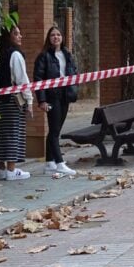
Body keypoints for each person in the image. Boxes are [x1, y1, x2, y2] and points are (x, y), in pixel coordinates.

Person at [34, 26, 78, 176]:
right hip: (52, 96)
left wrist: (73, 89)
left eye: (58, 35)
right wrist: (42, 101)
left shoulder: (67, 54)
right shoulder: (44, 56)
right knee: (54, 131)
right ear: (49, 38)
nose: (56, 37)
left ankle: (49, 162)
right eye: (53, 35)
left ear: (62, 38)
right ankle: (60, 163)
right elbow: (38, 79)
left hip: (65, 95)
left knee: (56, 129)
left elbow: (74, 73)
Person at [0, 25, 33, 181]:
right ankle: (11, 170)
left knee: (2, 133)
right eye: (16, 33)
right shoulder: (16, 55)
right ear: (8, 37)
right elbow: (22, 79)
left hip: (1, 100)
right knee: (14, 133)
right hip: (13, 100)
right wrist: (29, 100)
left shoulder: (0, 55)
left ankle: (2, 169)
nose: (20, 36)